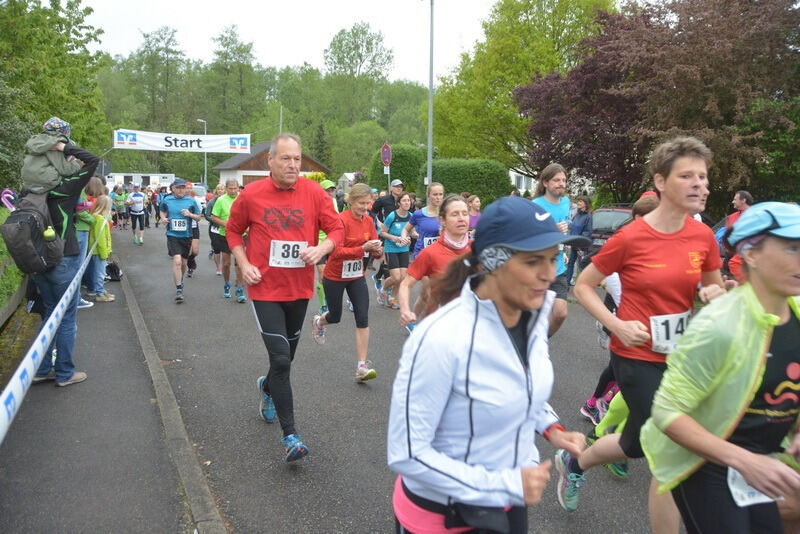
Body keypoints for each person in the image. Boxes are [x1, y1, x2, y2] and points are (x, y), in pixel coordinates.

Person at [387, 196, 589, 534]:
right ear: (493, 263)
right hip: (442, 517)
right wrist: (502, 484)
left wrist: (551, 427)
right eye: (533, 261)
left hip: (507, 500)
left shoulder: (535, 314)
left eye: (554, 259)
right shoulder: (440, 337)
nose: (549, 274)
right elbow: (406, 452)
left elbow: (518, 382)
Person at [557, 137, 725, 534]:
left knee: (635, 442)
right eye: (688, 176)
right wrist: (615, 324)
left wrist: (718, 294)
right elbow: (584, 285)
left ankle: (576, 462)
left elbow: (712, 291)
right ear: (661, 182)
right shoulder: (632, 237)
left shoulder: (702, 238)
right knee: (670, 446)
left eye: (703, 176)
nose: (700, 184)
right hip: (635, 355)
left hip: (681, 356)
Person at [639, 202, 800, 534]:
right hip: (705, 464)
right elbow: (666, 413)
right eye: (792, 248)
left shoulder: (797, 311)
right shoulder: (719, 326)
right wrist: (744, 460)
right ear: (751, 255)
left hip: (763, 462)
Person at [226, 133, 343, 462]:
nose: (293, 165)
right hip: (264, 287)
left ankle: (267, 388)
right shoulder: (251, 195)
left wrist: (321, 249)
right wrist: (244, 263)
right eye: (286, 159)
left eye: (297, 160)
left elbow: (337, 230)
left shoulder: (314, 193)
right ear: (270, 161)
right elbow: (233, 231)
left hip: (299, 287)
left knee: (285, 360)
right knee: (280, 359)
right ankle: (291, 436)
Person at [30, 139, 98, 386]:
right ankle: (64, 373)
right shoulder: (65, 189)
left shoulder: (30, 191)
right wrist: (64, 147)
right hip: (63, 259)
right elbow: (92, 160)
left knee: (49, 315)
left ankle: (41, 369)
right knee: (66, 318)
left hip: (38, 260)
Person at [311, 183, 383, 382]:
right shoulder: (340, 221)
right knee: (335, 316)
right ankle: (319, 321)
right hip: (335, 276)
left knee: (362, 316)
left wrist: (378, 250)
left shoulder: (369, 221)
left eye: (368, 203)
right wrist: (363, 248)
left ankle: (361, 366)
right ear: (350, 201)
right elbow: (335, 251)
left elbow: (375, 245)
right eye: (361, 203)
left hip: (357, 276)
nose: (365, 207)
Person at [398, 194, 470, 334]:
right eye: (455, 214)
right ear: (443, 220)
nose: (461, 218)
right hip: (441, 329)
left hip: (471, 329)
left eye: (465, 213)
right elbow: (406, 284)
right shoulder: (430, 253)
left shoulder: (478, 250)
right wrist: (405, 310)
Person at [532, 163, 572, 337]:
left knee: (561, 312)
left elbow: (564, 231)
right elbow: (528, 236)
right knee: (534, 315)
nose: (561, 183)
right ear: (545, 183)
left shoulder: (566, 202)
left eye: (563, 180)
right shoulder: (535, 205)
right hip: (537, 268)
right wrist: (552, 228)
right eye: (557, 180)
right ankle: (530, 344)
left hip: (558, 267)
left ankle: (541, 341)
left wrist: (563, 252)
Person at [159, 178, 202, 303]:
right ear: (173, 188)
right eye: (178, 188)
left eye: (183, 188)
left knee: (183, 263)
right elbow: (162, 210)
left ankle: (180, 280)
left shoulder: (191, 201)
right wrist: (163, 218)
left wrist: (190, 215)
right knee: (177, 261)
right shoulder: (167, 200)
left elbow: (199, 218)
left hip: (187, 235)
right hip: (172, 235)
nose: (181, 190)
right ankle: (178, 289)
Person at [21, 116, 81, 194]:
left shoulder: (39, 141)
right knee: (71, 181)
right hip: (45, 181)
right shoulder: (55, 145)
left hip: (28, 179)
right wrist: (76, 163)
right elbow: (65, 170)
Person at [210, 180, 245, 302]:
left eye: (235, 188)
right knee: (226, 263)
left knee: (240, 263)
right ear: (226, 188)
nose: (233, 191)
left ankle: (240, 288)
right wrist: (227, 224)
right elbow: (214, 217)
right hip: (225, 235)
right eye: (230, 188)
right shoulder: (221, 200)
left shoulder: (243, 198)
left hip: (242, 234)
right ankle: (227, 284)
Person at [379, 192, 412, 308]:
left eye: (408, 200)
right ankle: (383, 289)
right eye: (404, 200)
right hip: (391, 248)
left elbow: (412, 232)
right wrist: (395, 238)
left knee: (402, 277)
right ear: (399, 203)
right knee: (396, 277)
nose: (407, 202)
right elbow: (382, 232)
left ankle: (392, 298)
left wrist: (411, 238)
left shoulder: (411, 216)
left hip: (404, 249)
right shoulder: (392, 216)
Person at [314, 179, 340, 314]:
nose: (330, 193)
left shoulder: (334, 202)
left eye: (332, 190)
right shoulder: (314, 203)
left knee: (331, 274)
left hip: (331, 242)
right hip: (318, 243)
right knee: (322, 273)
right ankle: (324, 304)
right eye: (327, 190)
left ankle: (329, 299)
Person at [88, 195, 114, 302]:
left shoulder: (97, 217)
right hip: (99, 251)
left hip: (98, 251)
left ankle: (102, 291)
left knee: (99, 272)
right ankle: (99, 293)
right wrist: (105, 253)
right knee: (100, 273)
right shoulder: (99, 219)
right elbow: (101, 239)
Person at [726, 190, 754, 283]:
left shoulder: (755, 215)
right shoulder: (732, 216)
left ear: (743, 200)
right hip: (730, 253)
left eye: (735, 199)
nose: (733, 201)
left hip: (745, 254)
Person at [564, 195, 593, 286]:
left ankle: (584, 286)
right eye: (578, 201)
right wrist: (569, 240)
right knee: (570, 264)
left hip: (582, 247)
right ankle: (567, 284)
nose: (578, 203)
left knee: (582, 266)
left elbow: (587, 232)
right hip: (573, 245)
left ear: (586, 204)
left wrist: (579, 244)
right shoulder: (577, 215)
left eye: (581, 201)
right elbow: (572, 229)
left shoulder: (588, 217)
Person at [206, 183, 225, 275]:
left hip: (225, 228)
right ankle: (219, 267)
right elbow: (207, 215)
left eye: (222, 189)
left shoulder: (228, 201)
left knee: (225, 248)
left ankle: (225, 265)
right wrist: (215, 220)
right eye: (218, 189)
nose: (220, 191)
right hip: (214, 228)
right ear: (216, 191)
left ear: (225, 191)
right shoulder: (212, 202)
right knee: (217, 248)